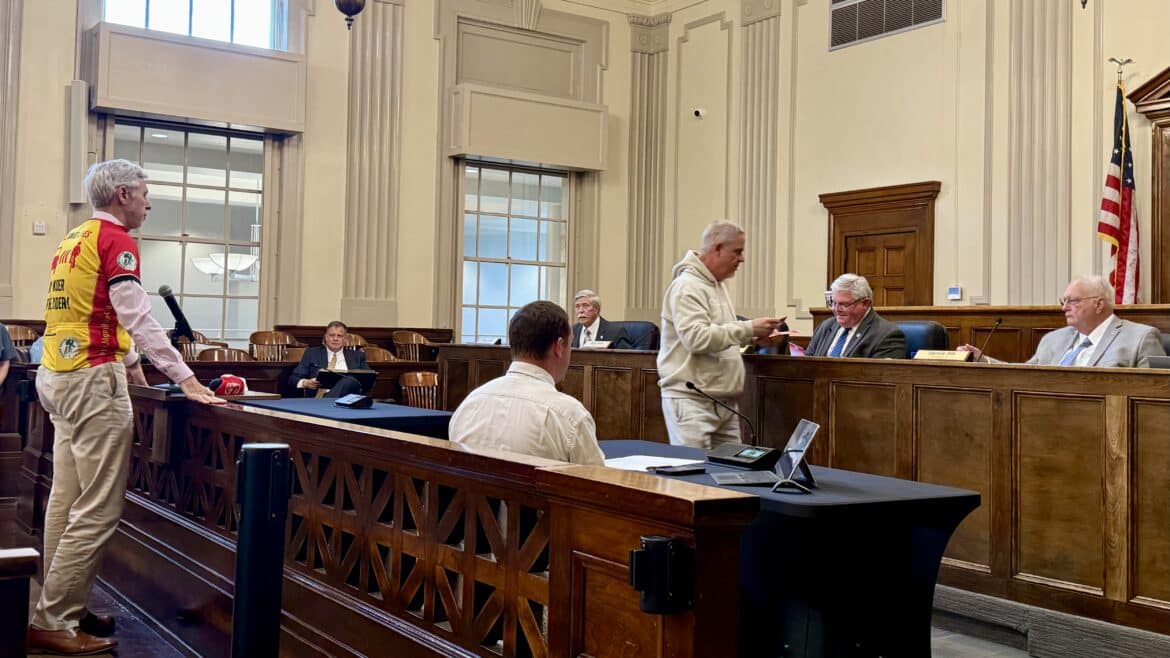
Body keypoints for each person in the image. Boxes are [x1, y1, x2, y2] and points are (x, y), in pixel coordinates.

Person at [29, 159, 225, 656]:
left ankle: (64, 606)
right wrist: (185, 377)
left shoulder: (74, 239)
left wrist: (134, 363)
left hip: (57, 374)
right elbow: (137, 316)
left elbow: (90, 312)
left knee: (66, 500)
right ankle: (54, 619)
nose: (148, 203)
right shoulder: (117, 240)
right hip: (93, 380)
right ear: (122, 195)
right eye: (143, 193)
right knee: (99, 507)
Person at [657, 220, 785, 449]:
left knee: (729, 469)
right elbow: (696, 339)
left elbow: (719, 331)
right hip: (692, 402)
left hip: (724, 402)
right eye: (737, 251)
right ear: (717, 248)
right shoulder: (687, 286)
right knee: (694, 471)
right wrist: (748, 328)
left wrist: (753, 337)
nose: (742, 259)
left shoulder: (717, 285)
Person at [450, 300, 604, 465]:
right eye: (570, 345)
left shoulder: (470, 404)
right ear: (559, 347)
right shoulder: (569, 416)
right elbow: (598, 479)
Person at [958, 274, 1166, 367]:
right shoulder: (1053, 339)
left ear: (1099, 304)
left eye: (1072, 301)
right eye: (1063, 301)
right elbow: (1025, 374)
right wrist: (984, 361)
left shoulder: (1140, 338)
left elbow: (1154, 395)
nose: (1064, 307)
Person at [805, 273, 906, 359]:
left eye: (844, 304)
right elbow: (807, 364)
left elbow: (881, 375)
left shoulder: (887, 336)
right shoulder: (825, 327)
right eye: (833, 303)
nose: (836, 309)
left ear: (865, 303)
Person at [289, 321, 370, 397]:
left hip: (348, 399)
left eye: (339, 336)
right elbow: (293, 379)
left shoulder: (357, 356)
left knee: (350, 380)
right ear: (326, 338)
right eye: (332, 335)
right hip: (318, 398)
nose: (335, 339)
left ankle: (327, 403)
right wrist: (305, 383)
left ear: (345, 339)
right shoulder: (312, 353)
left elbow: (368, 380)